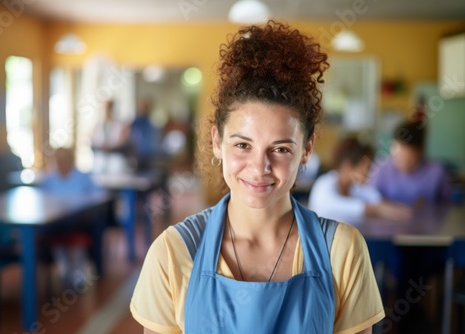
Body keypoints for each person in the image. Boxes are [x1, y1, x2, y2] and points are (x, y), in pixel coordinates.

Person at [130, 21, 384, 333]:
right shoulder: (172, 253)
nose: (259, 167)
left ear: (307, 149)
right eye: (242, 145)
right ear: (216, 141)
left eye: (279, 149)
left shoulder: (343, 250)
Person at [309, 137, 412, 224]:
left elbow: (376, 199)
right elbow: (342, 206)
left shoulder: (355, 188)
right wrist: (377, 209)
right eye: (366, 167)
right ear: (348, 166)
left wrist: (401, 209)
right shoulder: (323, 185)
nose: (369, 172)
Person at [39, 148, 101, 288]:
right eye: (59, 160)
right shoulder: (48, 180)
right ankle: (65, 269)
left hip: (79, 221)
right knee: (49, 233)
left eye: (65, 159)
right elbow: (41, 200)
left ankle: (77, 272)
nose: (62, 163)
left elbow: (99, 198)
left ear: (72, 160)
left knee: (79, 229)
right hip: (54, 223)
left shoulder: (83, 178)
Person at [370, 120, 451, 205]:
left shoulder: (437, 172)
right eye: (398, 157)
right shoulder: (381, 167)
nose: (402, 163)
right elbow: (369, 198)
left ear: (420, 152)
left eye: (408, 158)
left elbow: (446, 206)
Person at [91, 100, 131, 174]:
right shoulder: (97, 126)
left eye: (109, 108)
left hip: (116, 161)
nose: (107, 111)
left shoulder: (122, 126)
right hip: (100, 161)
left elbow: (124, 143)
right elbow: (92, 142)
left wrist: (111, 147)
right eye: (105, 108)